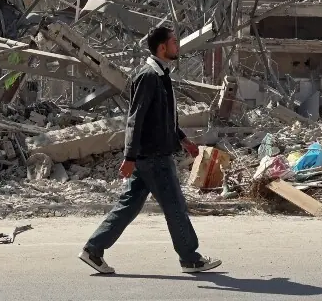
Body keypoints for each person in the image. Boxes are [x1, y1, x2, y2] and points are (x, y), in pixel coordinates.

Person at [78, 26, 221, 275]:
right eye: (174, 43)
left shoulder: (161, 75)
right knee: (175, 206)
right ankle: (190, 258)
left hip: (153, 155)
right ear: (162, 48)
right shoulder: (148, 76)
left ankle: (93, 249)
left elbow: (163, 118)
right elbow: (136, 119)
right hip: (154, 157)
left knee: (128, 206)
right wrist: (129, 157)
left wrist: (183, 139)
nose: (178, 47)